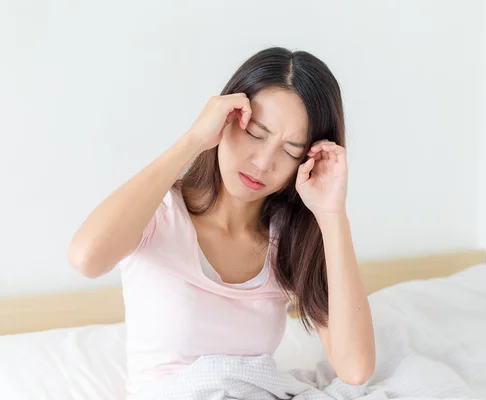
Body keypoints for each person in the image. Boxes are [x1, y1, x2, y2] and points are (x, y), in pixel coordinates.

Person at [68, 46, 375, 397]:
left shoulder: (288, 239)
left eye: (289, 151)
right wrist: (194, 139)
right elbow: (86, 259)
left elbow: (355, 368)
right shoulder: (158, 212)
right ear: (225, 118)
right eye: (256, 134)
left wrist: (333, 214)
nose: (262, 163)